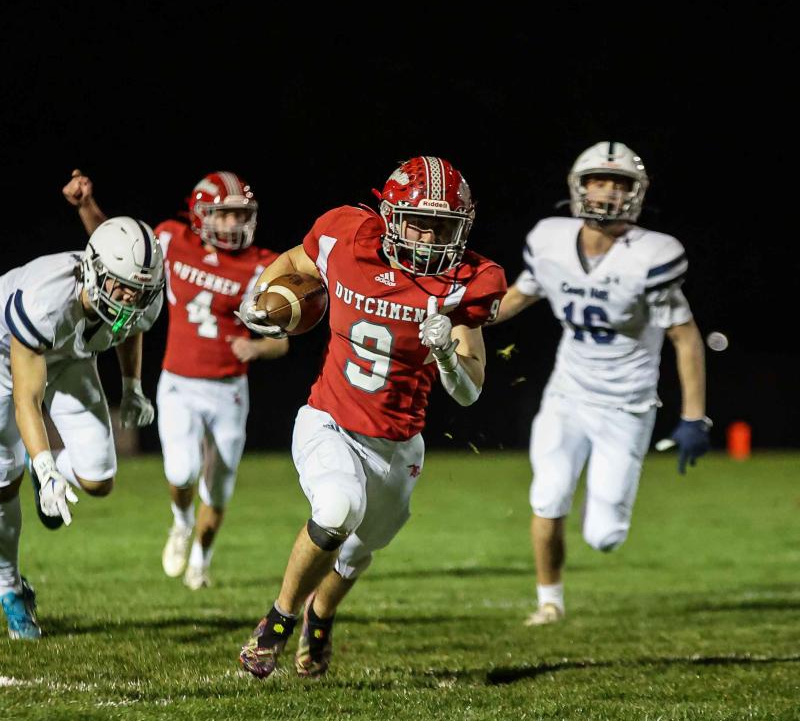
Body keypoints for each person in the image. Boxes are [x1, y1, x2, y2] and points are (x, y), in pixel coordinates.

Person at [234, 156, 506, 678]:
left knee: (358, 552)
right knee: (337, 508)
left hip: (398, 444)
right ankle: (276, 623)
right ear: (389, 216)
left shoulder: (471, 281)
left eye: (442, 228)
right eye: (419, 222)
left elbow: (470, 392)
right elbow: (294, 262)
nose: (428, 239)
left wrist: (448, 355)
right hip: (328, 419)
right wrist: (258, 299)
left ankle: (320, 615)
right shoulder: (344, 234)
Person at [490, 141, 710, 626]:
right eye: (598, 180)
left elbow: (686, 338)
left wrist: (694, 416)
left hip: (627, 406)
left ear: (636, 193)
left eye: (620, 183)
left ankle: (605, 497)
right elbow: (514, 299)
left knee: (605, 536)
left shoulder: (651, 254)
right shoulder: (550, 240)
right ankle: (550, 601)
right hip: (567, 395)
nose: (608, 192)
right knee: (547, 496)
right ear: (578, 185)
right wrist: (458, 316)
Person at [64, 169, 288, 590]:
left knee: (218, 489)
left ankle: (201, 559)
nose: (235, 224)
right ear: (201, 213)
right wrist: (85, 206)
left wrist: (258, 348)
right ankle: (182, 523)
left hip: (229, 390)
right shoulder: (170, 240)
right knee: (182, 472)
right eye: (226, 215)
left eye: (241, 215)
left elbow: (282, 341)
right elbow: (113, 247)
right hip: (179, 383)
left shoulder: (261, 265)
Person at [0, 216, 164, 639]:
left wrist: (132, 386)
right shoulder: (46, 300)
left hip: (70, 357)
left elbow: (130, 326)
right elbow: (26, 399)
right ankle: (11, 590)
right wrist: (42, 465)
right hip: (1, 362)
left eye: (142, 291)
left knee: (99, 477)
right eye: (124, 287)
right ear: (94, 271)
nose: (132, 299)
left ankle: (53, 475)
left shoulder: (138, 297)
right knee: (3, 482)